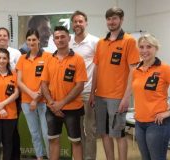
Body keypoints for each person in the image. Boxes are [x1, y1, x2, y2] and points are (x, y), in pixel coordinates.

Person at [89, 7, 140, 160]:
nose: (111, 22)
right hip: (100, 96)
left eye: (115, 18)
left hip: (117, 97)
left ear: (121, 20)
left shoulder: (129, 41)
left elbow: (133, 71)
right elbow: (96, 69)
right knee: (104, 133)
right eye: (109, 19)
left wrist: (126, 98)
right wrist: (92, 93)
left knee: (118, 134)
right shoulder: (101, 42)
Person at [132, 33, 170, 160]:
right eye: (141, 47)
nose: (144, 50)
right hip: (140, 122)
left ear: (156, 48)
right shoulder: (136, 70)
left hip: (157, 123)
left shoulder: (164, 68)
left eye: (149, 47)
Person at [41, 26, 87, 160]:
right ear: (53, 40)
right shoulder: (49, 59)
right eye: (56, 37)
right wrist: (51, 103)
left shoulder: (78, 59)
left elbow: (80, 86)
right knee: (53, 141)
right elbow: (43, 84)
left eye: (62, 37)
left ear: (69, 38)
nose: (59, 40)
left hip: (73, 109)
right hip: (52, 108)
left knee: (76, 142)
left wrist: (61, 103)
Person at [69, 10, 99, 160]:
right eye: (75, 22)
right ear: (72, 24)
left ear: (86, 23)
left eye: (80, 21)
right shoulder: (68, 42)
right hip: (73, 94)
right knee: (76, 132)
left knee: (90, 131)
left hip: (88, 93)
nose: (78, 24)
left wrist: (94, 92)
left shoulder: (95, 42)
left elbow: (99, 68)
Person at [0, 27, 22, 159]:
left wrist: (3, 104)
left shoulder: (16, 53)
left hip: (11, 101)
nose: (2, 37)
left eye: (5, 35)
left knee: (10, 138)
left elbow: (18, 86)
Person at [16, 29, 51, 160]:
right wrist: (31, 95)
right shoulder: (22, 58)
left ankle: (50, 156)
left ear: (39, 40)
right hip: (26, 102)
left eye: (34, 40)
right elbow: (19, 81)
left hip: (43, 101)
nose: (31, 42)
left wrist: (36, 98)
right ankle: (40, 157)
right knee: (34, 133)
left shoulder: (47, 56)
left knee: (46, 133)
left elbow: (48, 80)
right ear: (26, 41)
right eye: (29, 40)